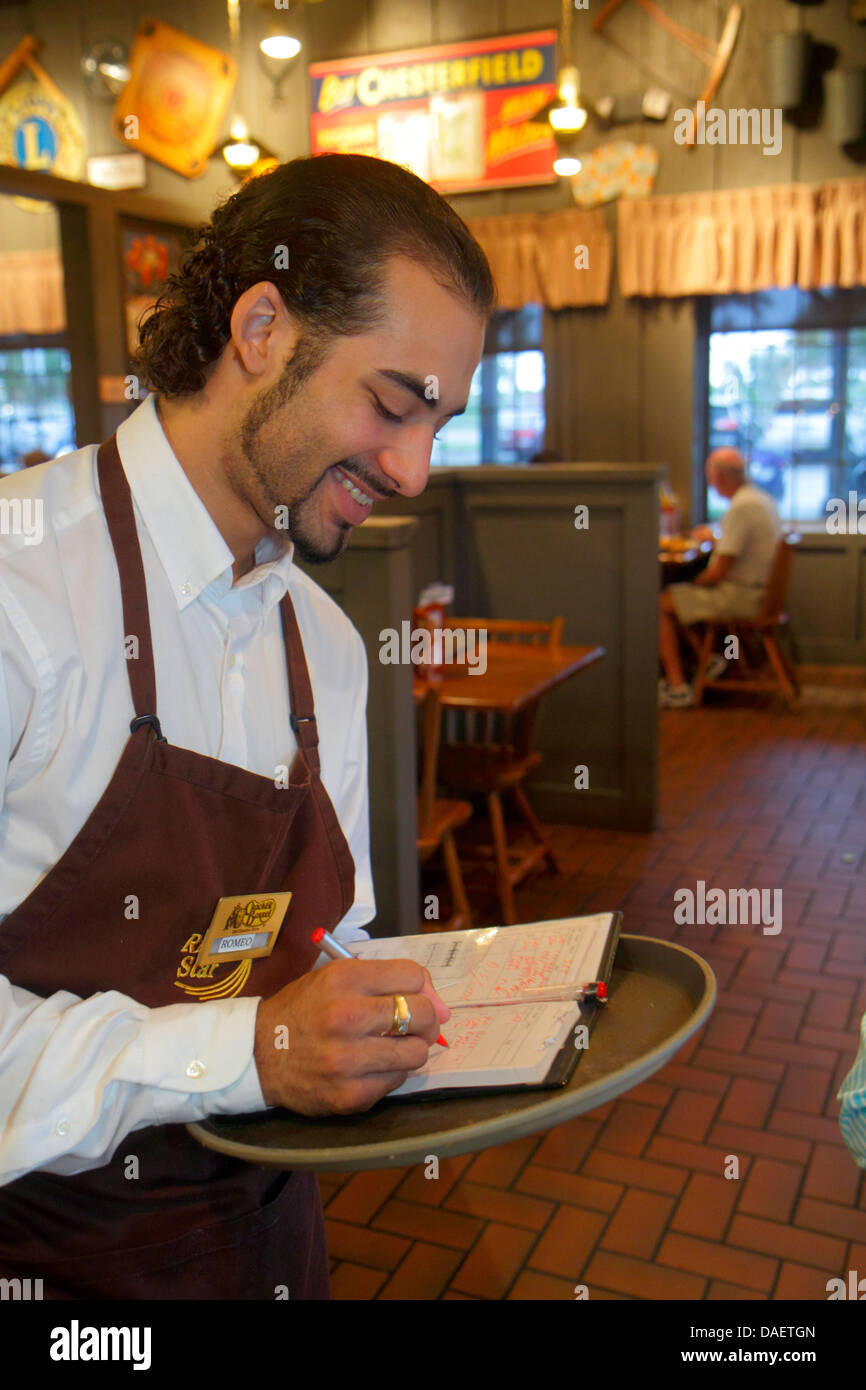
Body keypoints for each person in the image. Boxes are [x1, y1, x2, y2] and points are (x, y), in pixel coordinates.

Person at [0, 153, 494, 1300]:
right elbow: (263, 1034)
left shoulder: (321, 640)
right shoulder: (22, 588)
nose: (415, 470)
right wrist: (255, 1049)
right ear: (261, 327)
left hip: (270, 1252)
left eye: (440, 422)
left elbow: (332, 941)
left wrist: (433, 1010)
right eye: (391, 402)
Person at [657, 448, 782, 709]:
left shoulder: (742, 507)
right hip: (762, 593)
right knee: (680, 597)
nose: (712, 486)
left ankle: (678, 686)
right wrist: (715, 537)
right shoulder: (759, 499)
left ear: (722, 478)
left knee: (660, 603)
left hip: (742, 597)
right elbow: (737, 546)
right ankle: (707, 658)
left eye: (712, 479)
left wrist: (692, 583)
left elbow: (718, 573)